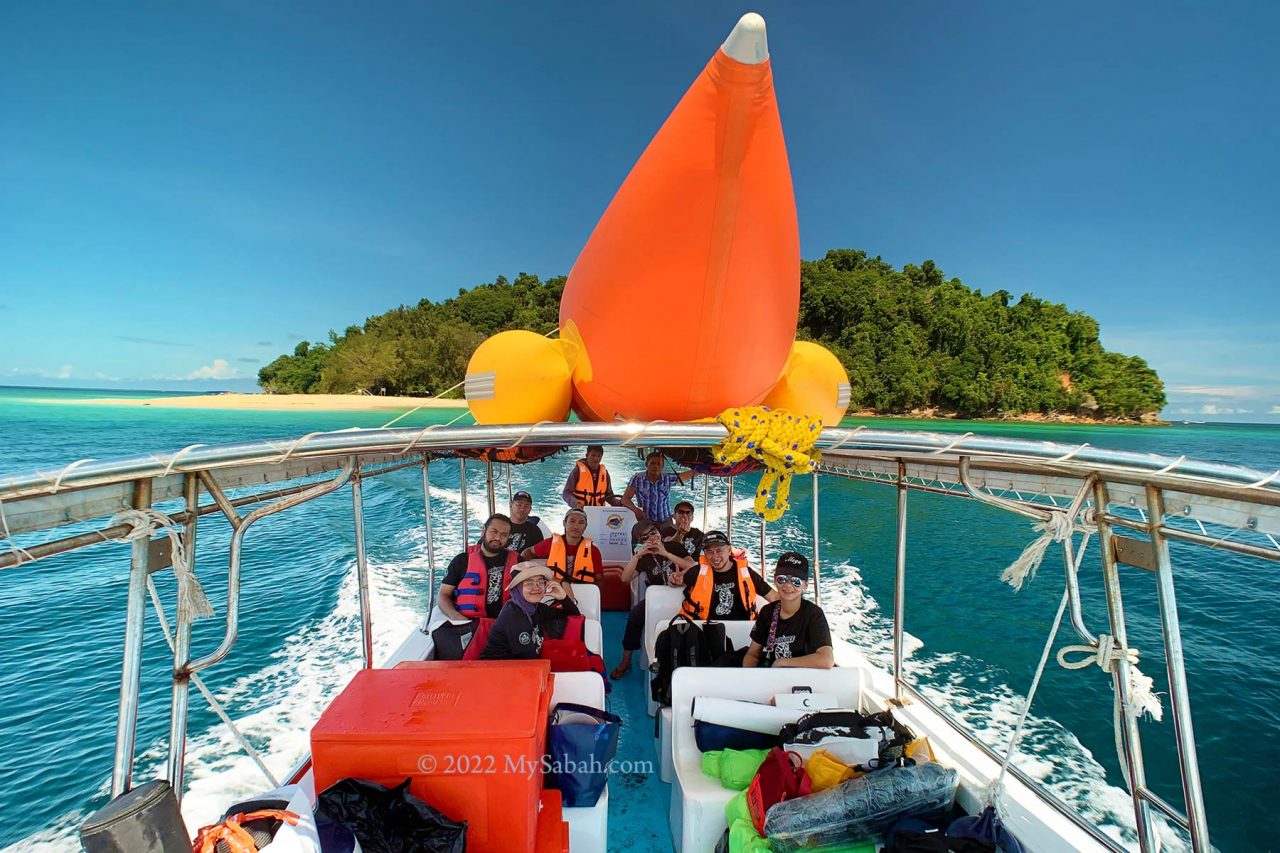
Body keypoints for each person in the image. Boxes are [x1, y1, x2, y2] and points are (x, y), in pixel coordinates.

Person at [611, 521, 696, 678]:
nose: (652, 537)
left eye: (653, 532)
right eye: (646, 537)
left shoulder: (674, 547)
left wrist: (666, 554)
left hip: (685, 595)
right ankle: (626, 660)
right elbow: (625, 578)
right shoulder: (644, 559)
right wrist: (637, 556)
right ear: (640, 541)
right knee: (635, 616)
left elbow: (693, 566)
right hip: (657, 599)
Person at [744, 552, 834, 669]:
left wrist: (781, 662)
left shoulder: (813, 614)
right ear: (775, 580)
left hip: (801, 683)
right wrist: (750, 677)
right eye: (782, 579)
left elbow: (826, 660)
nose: (788, 585)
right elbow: (753, 654)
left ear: (805, 585)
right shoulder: (767, 612)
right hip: (771, 680)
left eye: (796, 581)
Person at [480, 563, 582, 660]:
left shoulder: (537, 608)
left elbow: (574, 616)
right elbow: (528, 660)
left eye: (540, 582)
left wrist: (563, 598)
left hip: (521, 667)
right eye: (529, 583)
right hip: (496, 670)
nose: (536, 587)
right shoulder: (513, 616)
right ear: (517, 588)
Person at [436, 514, 517, 621]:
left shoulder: (517, 562)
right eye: (494, 532)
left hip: (504, 624)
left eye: (503, 535)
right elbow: (443, 594)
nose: (498, 538)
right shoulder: (462, 560)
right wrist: (456, 616)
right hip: (469, 622)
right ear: (483, 531)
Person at [681, 530, 775, 621]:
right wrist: (674, 580)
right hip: (706, 630)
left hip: (743, 630)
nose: (714, 557)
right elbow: (677, 581)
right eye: (710, 552)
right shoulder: (698, 572)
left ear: (729, 550)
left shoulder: (746, 573)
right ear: (704, 553)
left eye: (719, 551)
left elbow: (773, 597)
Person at [521, 507, 604, 585]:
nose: (576, 526)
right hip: (554, 588)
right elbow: (528, 552)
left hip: (582, 589)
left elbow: (599, 579)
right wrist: (523, 572)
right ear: (564, 523)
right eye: (572, 521)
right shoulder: (550, 543)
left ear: (585, 526)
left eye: (581, 523)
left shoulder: (593, 550)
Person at [622, 450, 697, 525]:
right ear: (646, 464)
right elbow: (625, 499)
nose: (656, 466)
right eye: (652, 463)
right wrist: (636, 510)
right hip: (646, 521)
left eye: (659, 464)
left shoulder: (667, 478)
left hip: (666, 520)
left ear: (662, 467)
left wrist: (701, 470)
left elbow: (683, 476)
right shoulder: (637, 478)